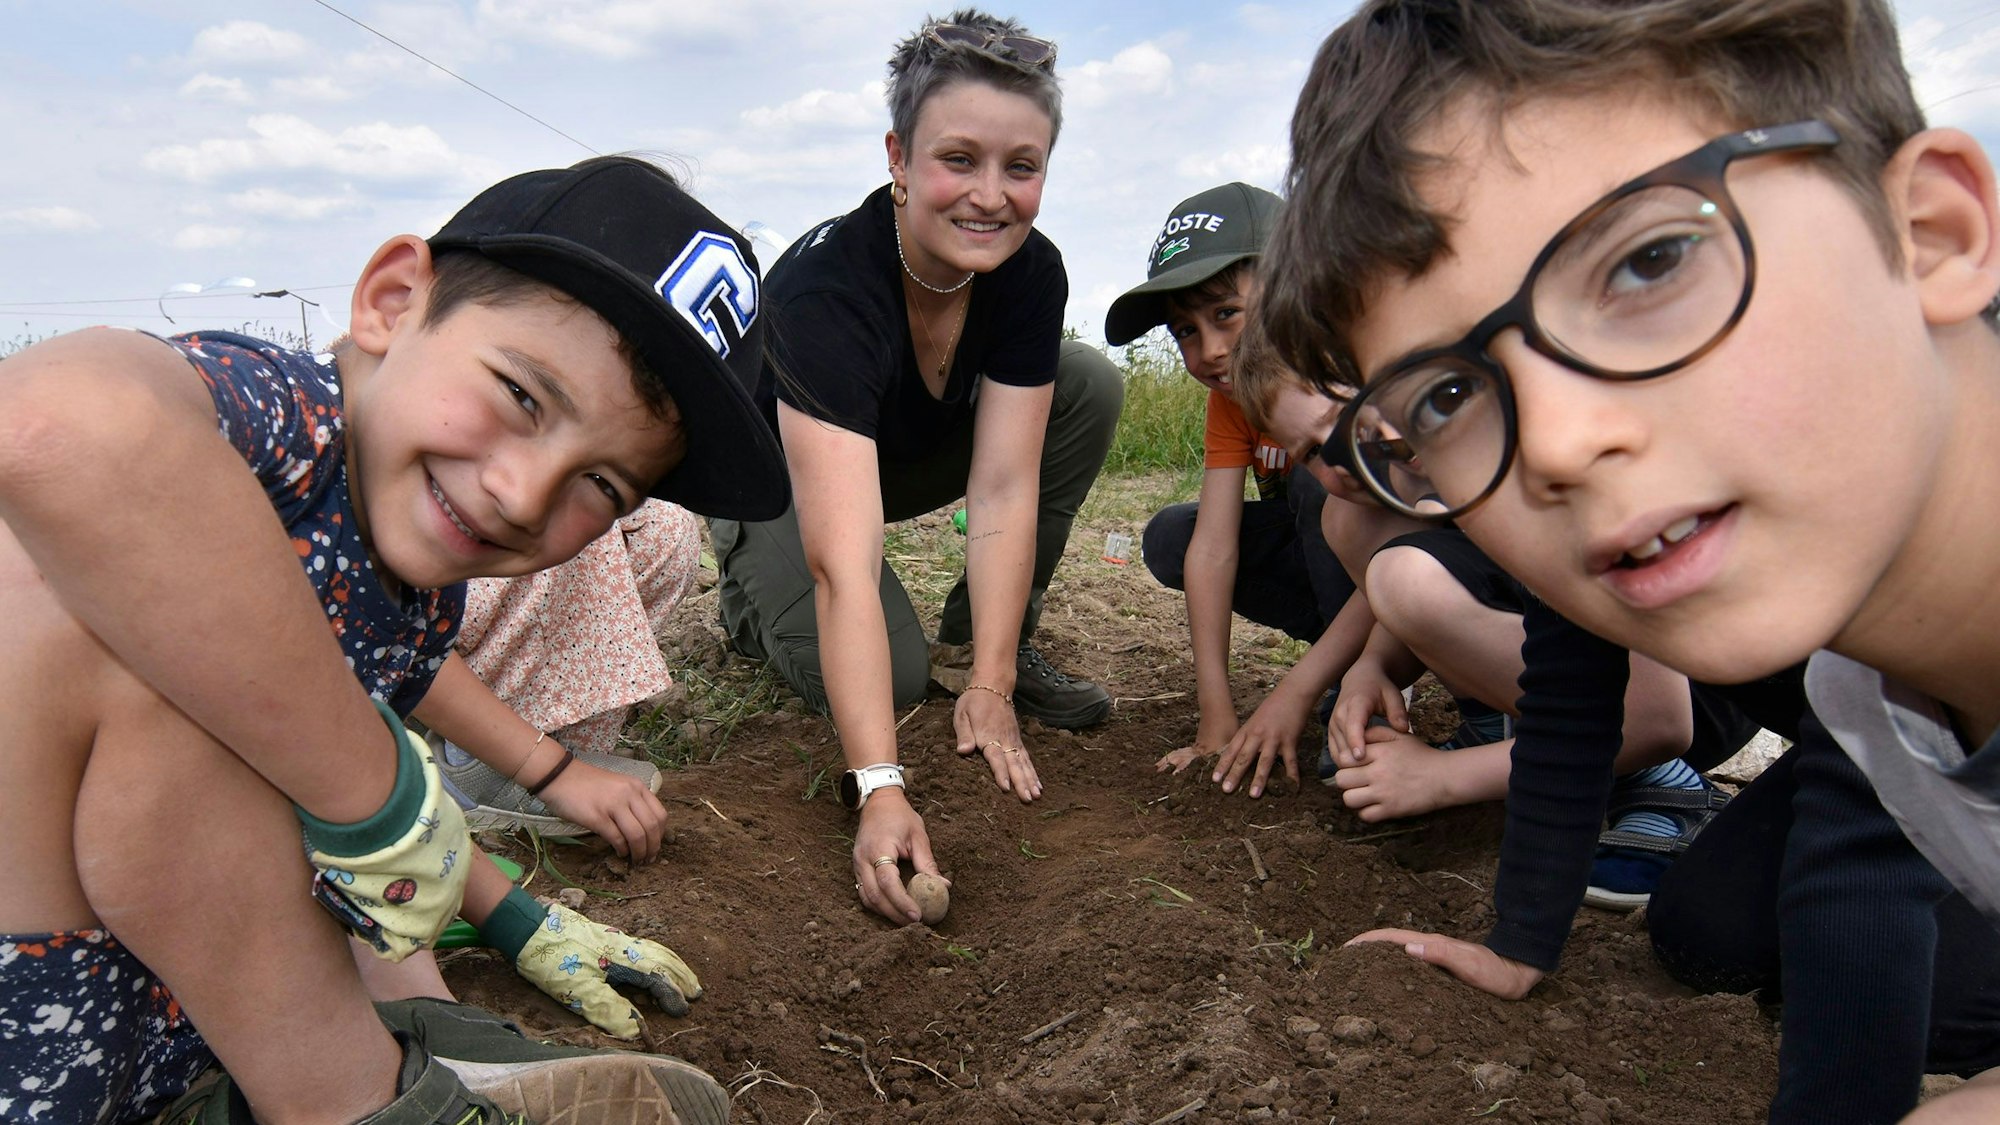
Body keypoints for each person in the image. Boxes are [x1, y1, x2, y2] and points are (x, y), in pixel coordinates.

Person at [1256, 1, 2000, 1119]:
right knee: (1713, 929)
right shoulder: (1871, 674)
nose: (1556, 443)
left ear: (1930, 231)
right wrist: (1519, 944)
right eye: (1449, 395)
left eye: (1646, 263)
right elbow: (1576, 700)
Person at [0, 155, 787, 1123]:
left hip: (147, 1012)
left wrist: (516, 918)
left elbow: (379, 797)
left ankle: (413, 1046)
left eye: (604, 486)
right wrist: (370, 797)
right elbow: (49, 426)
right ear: (392, 300)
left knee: (310, 738)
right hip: (34, 1024)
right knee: (185, 661)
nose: (526, 493)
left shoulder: (410, 582)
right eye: (523, 397)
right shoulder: (275, 419)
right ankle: (361, 1101)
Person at [710, 9, 1123, 925]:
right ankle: (747, 600)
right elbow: (842, 562)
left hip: (895, 456)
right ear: (898, 158)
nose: (990, 196)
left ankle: (981, 636)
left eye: (1022, 167)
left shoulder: (1029, 272)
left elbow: (1006, 485)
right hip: (779, 481)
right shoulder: (826, 289)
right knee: (888, 682)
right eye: (958, 159)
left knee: (1087, 381)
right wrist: (881, 784)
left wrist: (991, 681)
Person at [1237, 336, 1751, 909]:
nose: (1337, 457)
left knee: (1408, 577)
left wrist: (1441, 778)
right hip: (1592, 687)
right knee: (1355, 522)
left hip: (1695, 697)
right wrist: (1372, 664)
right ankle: (1496, 731)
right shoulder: (1405, 472)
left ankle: (1659, 784)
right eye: (1309, 452)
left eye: (1345, 413)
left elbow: (1664, 719)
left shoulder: (1539, 439)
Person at [1104, 183, 1361, 798]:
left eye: (1226, 314)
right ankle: (1340, 661)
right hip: (1340, 576)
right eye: (1185, 331)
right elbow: (1214, 548)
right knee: (1175, 536)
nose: (1211, 351)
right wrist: (1214, 719)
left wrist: (1293, 690)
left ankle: (1359, 687)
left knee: (1318, 483)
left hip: (1411, 572)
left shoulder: (1351, 373)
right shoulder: (1231, 398)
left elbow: (1410, 542)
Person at [430, 498, 700, 843]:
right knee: (559, 514)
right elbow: (399, 643)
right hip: (375, 663)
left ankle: (545, 733)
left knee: (664, 530)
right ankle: (473, 762)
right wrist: (555, 776)